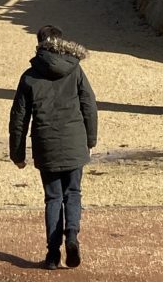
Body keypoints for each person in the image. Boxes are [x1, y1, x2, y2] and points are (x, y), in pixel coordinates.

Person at [9, 24, 98, 270]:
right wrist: (90, 140)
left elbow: (19, 118)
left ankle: (52, 253)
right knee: (73, 192)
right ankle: (72, 236)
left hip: (46, 144)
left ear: (39, 44)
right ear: (62, 43)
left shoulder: (29, 76)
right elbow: (89, 105)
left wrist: (17, 154)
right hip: (74, 141)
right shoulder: (75, 70)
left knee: (53, 198)